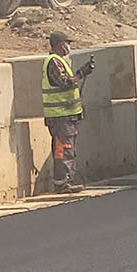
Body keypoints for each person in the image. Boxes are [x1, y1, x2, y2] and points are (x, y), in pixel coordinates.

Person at [39, 31, 94, 192]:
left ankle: (66, 180)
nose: (68, 46)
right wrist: (81, 73)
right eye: (66, 43)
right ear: (59, 44)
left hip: (66, 115)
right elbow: (63, 82)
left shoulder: (60, 61)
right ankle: (62, 183)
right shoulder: (53, 62)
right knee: (63, 148)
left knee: (66, 148)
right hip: (60, 115)